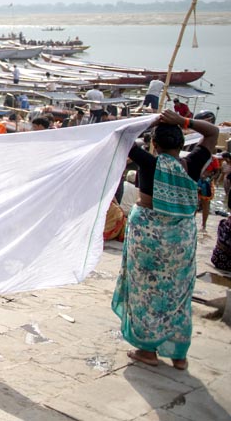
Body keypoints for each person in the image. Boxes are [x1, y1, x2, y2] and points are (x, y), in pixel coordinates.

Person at [112, 110, 218, 371]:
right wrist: (183, 121)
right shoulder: (191, 164)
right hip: (180, 238)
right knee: (177, 295)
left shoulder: (149, 162)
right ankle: (178, 355)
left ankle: (147, 350)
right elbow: (212, 132)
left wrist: (150, 120)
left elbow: (122, 134)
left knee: (146, 292)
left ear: (155, 145)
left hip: (147, 237)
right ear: (182, 144)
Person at [198, 155, 220, 231]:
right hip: (197, 180)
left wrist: (210, 178)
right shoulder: (198, 157)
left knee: (206, 203)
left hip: (207, 183)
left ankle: (204, 225)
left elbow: (217, 172)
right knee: (193, 202)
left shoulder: (213, 159)